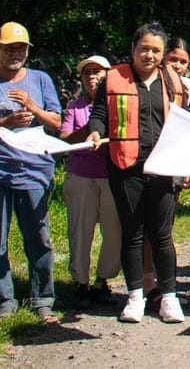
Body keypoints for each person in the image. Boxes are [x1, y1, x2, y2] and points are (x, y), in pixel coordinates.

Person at [69, 22, 190, 324]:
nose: (149, 55)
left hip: (164, 167)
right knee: (133, 234)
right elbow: (99, 115)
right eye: (144, 49)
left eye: (156, 50)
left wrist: (188, 163)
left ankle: (169, 298)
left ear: (163, 54)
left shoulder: (172, 81)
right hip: (125, 167)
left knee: (162, 235)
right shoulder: (114, 78)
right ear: (133, 49)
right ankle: (134, 297)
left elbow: (184, 123)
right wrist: (96, 133)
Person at [0, 22, 62, 322]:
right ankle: (3, 300)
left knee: (39, 239)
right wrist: (1, 124)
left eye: (21, 48)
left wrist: (33, 106)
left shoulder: (41, 80)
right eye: (9, 48)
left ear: (28, 51)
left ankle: (43, 299)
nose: (15, 53)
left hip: (35, 172)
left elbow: (57, 124)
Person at [60, 55, 123, 307]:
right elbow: (64, 139)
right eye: (87, 73)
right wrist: (87, 130)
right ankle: (80, 281)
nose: (92, 77)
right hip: (81, 174)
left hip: (111, 175)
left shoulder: (118, 104)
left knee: (113, 230)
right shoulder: (75, 107)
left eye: (98, 72)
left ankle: (103, 280)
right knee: (80, 229)